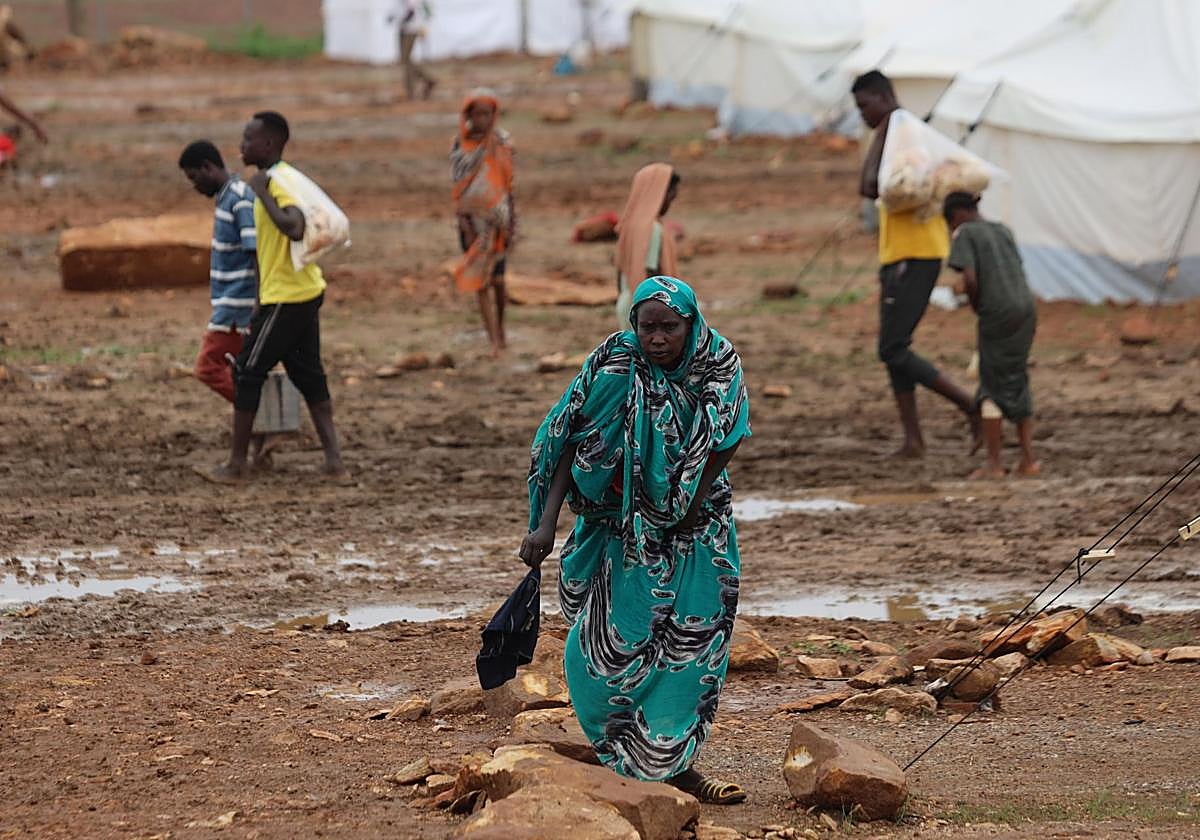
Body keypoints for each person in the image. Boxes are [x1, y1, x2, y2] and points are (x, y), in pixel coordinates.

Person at [519, 276, 751, 803]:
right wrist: (545, 523)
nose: (658, 339)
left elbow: (725, 442)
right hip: (619, 528)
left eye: (670, 327)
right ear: (633, 325)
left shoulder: (718, 364)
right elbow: (570, 438)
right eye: (648, 327)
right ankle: (619, 756)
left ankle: (676, 764)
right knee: (598, 649)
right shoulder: (618, 364)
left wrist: (682, 507)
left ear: (691, 324)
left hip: (698, 529)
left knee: (691, 648)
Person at [196, 111, 350, 485]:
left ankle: (237, 465)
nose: (241, 146)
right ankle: (335, 463)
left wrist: (261, 191)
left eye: (248, 139)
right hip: (301, 290)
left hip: (287, 296)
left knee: (247, 372)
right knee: (308, 375)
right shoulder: (284, 176)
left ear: (267, 143)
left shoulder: (275, 182)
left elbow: (295, 228)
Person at [853, 70, 978, 458]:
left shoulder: (903, 134)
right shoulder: (900, 131)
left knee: (892, 349)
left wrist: (884, 128)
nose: (862, 115)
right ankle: (913, 439)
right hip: (900, 253)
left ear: (884, 97)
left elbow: (869, 185)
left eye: (865, 106)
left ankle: (969, 405)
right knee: (896, 347)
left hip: (916, 253)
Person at [178, 139, 278, 468]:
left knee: (209, 368)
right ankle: (261, 439)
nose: (194, 186)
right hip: (233, 301)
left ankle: (263, 418)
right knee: (241, 372)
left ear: (208, 167)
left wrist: (258, 301)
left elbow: (256, 250)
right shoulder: (229, 197)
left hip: (238, 305)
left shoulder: (237, 198)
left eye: (195, 178)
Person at [943, 192, 1040, 479]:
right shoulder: (1002, 230)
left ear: (956, 215)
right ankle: (1028, 461)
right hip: (1026, 309)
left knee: (991, 384)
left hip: (997, 312)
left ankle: (994, 465)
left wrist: (975, 305)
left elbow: (970, 278)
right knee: (1017, 377)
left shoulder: (965, 233)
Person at [451, 88, 515, 357]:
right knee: (481, 282)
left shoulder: (502, 143)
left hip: (498, 223)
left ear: (493, 115)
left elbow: (509, 185)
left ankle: (500, 328)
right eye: (476, 114)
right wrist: (465, 224)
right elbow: (458, 188)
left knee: (498, 281)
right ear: (468, 116)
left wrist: (512, 224)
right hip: (472, 224)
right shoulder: (461, 146)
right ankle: (493, 340)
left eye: (486, 114)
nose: (481, 120)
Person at [614, 163, 679, 331]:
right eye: (670, 196)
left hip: (626, 302)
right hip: (647, 310)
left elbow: (620, 271)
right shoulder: (652, 229)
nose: (670, 203)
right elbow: (651, 275)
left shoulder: (628, 225)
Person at [394, 0, 435, 101]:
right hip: (403, 28)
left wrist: (408, 17)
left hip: (411, 29)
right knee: (405, 60)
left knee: (406, 60)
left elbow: (415, 9)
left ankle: (411, 90)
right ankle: (424, 81)